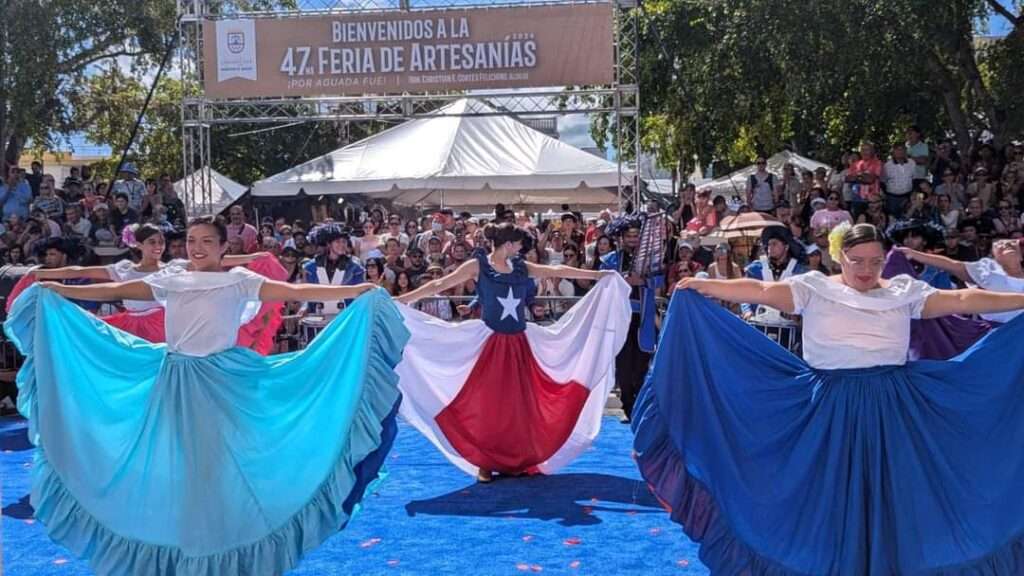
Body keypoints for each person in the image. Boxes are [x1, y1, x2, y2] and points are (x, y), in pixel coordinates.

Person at [3, 215, 408, 576]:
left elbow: (292, 288)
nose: (197, 248)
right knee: (178, 459)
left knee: (220, 459)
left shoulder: (239, 281)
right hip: (175, 379)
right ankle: (188, 538)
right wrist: (60, 289)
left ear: (223, 247)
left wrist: (358, 293)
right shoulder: (171, 279)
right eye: (191, 241)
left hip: (222, 380)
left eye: (207, 242)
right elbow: (118, 288)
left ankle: (221, 535)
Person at [633, 221, 1024, 575]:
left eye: (875, 261)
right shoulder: (814, 287)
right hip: (831, 407)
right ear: (839, 256)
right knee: (828, 495)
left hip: (894, 406)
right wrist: (708, 285)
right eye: (857, 261)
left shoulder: (905, 292)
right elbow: (763, 290)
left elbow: (961, 300)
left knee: (895, 496)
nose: (867, 270)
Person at [392, 223, 629, 483]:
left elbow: (555, 269)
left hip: (519, 345)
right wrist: (404, 300)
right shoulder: (477, 266)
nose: (520, 249)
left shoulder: (521, 268)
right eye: (517, 244)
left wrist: (597, 276)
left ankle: (515, 458)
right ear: (508, 244)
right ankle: (485, 462)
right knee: (488, 406)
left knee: (518, 406)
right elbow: (440, 283)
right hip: (491, 347)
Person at [601, 216, 664, 423]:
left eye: (636, 235)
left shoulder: (650, 259)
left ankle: (638, 408)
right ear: (621, 237)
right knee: (624, 368)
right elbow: (602, 280)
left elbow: (660, 279)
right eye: (629, 235)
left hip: (642, 318)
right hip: (620, 318)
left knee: (641, 367)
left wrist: (642, 280)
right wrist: (621, 279)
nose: (633, 239)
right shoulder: (611, 259)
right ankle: (628, 406)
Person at [898, 238, 1024, 324]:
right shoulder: (987, 269)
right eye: (999, 244)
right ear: (994, 255)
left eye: (1012, 243)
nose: (1006, 244)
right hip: (999, 334)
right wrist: (914, 254)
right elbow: (953, 265)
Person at [740, 226, 808, 320]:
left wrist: (798, 315)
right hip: (759, 322)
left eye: (774, 244)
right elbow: (744, 293)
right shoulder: (756, 268)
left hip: (787, 325)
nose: (770, 248)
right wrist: (747, 311)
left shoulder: (798, 270)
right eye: (769, 244)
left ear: (786, 247)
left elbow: (804, 297)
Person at [302, 223, 366, 316]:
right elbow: (306, 292)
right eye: (337, 241)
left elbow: (360, 295)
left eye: (344, 241)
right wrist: (304, 307)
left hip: (345, 317)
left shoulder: (355, 267)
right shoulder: (311, 267)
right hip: (319, 317)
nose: (341, 245)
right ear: (328, 244)